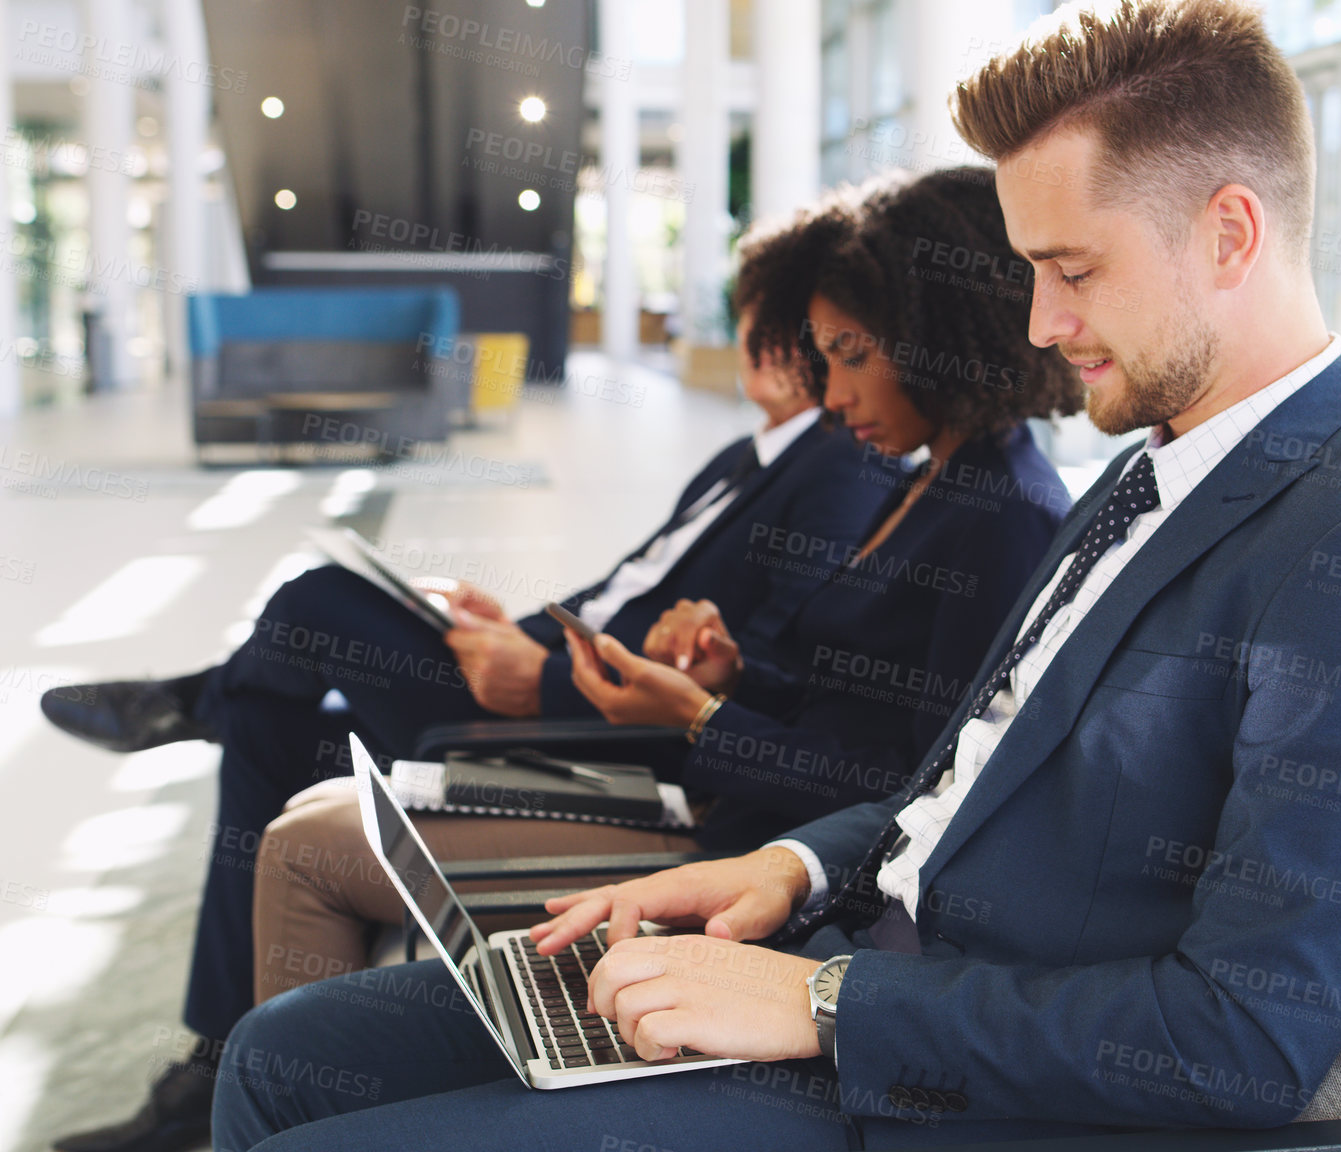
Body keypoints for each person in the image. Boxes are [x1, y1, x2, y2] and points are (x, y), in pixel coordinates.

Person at [213, 2, 1341, 1148]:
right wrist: (788, 869)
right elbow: (955, 783)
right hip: (830, 945)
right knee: (279, 1063)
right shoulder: (1150, 473)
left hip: (934, 1083)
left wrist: (823, 1003)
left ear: (1228, 233)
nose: (1042, 329)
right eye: (1027, 276)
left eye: (1071, 272)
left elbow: (1242, 1037)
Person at [43, 309, 884, 1152]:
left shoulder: (835, 475)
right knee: (263, 723)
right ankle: (210, 1059)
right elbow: (614, 594)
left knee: (315, 601)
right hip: (555, 682)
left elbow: (748, 669)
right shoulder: (741, 459)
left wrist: (542, 676)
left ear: (775, 349)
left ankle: (191, 701)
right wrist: (518, 631)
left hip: (586, 729)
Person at [245, 165, 1081, 1012]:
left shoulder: (1001, 517)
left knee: (310, 842)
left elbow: (908, 790)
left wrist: (700, 718)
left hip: (754, 854)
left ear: (942, 337)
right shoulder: (932, 481)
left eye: (853, 357)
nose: (833, 395)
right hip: (727, 806)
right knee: (315, 815)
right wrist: (732, 679)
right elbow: (850, 700)